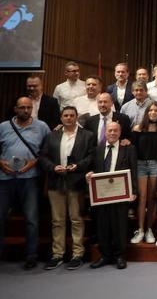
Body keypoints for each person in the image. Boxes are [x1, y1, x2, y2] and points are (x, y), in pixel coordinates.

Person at [39, 106, 95, 270]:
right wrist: (52, 167)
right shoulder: (52, 135)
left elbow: (91, 156)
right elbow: (43, 156)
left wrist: (77, 166)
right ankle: (58, 254)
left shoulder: (87, 136)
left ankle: (77, 253)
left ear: (77, 117)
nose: (69, 118)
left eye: (72, 115)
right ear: (61, 118)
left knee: (76, 219)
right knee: (57, 220)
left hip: (76, 181)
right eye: (66, 115)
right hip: (56, 181)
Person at [0, 97, 51, 269]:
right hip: (5, 178)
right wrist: (1, 163)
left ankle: (31, 255)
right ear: (15, 109)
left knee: (31, 219)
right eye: (22, 107)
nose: (26, 110)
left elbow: (47, 151)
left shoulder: (42, 127)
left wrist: (33, 162)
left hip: (30, 179)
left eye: (29, 107)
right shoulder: (3, 127)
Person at [86, 121, 137, 269]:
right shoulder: (97, 149)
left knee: (120, 225)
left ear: (120, 133)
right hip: (101, 195)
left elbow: (133, 171)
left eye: (115, 131)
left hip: (121, 194)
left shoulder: (129, 149)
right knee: (103, 225)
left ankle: (120, 256)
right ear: (105, 133)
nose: (113, 133)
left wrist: (133, 191)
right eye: (110, 131)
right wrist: (89, 174)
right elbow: (91, 168)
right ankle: (105, 255)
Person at [130, 101, 157, 245]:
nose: (153, 113)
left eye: (156, 110)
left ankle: (149, 229)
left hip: (155, 164)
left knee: (151, 198)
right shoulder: (138, 129)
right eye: (151, 110)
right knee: (142, 197)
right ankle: (140, 229)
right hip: (141, 164)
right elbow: (133, 149)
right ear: (147, 113)